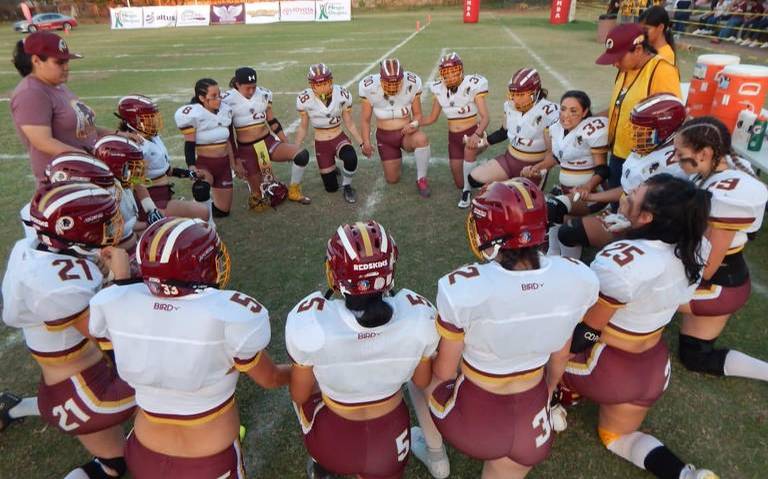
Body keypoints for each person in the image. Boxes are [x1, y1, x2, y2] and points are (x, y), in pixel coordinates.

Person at [423, 179, 599, 479]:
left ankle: (433, 450)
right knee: (509, 466)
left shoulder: (462, 289)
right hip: (533, 416)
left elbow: (444, 372)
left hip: (475, 416)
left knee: (422, 365)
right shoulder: (578, 278)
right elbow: (560, 353)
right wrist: (550, 390)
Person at [89, 217, 291, 478]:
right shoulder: (228, 315)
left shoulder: (114, 302)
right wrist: (307, 373)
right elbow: (271, 378)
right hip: (207, 459)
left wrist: (121, 283)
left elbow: (120, 348)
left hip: (144, 450)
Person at [561, 174, 717, 479]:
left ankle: (559, 393)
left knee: (540, 336)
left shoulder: (618, 265)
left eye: (633, 197)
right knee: (617, 437)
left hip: (606, 366)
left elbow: (587, 334)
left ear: (647, 217)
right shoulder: (695, 246)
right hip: (654, 367)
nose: (626, 195)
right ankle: (687, 475)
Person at [285, 221, 439, 479]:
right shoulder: (417, 315)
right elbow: (422, 380)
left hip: (333, 442)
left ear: (335, 273)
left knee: (306, 378)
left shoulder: (311, 321)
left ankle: (323, 469)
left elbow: (299, 395)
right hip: (391, 440)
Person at [2, 182, 135, 479]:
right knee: (170, 385)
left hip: (67, 383)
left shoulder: (34, 247)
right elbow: (111, 333)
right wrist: (122, 280)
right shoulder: (60, 285)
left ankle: (15, 407)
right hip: (84, 396)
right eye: (101, 224)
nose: (111, 226)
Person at [674, 117, 768, 382]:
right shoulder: (719, 170)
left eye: (682, 155)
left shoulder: (726, 194)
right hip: (725, 276)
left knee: (639, 295)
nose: (677, 160)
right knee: (695, 356)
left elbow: (706, 267)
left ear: (705, 153)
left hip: (718, 284)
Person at [556, 93, 687, 257]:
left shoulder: (674, 165)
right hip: (625, 212)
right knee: (564, 222)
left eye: (642, 131)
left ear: (665, 131)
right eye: (635, 128)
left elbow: (662, 216)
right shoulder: (645, 149)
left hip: (646, 229)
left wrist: (628, 223)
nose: (634, 134)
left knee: (571, 232)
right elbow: (627, 189)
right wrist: (592, 197)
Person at [10, 32, 132, 187]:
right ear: (36, 61)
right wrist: (89, 159)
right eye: (59, 62)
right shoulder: (31, 93)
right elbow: (43, 142)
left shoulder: (58, 86)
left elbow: (84, 127)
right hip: (66, 183)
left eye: (66, 61)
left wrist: (118, 135)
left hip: (87, 174)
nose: (66, 67)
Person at [519, 90, 609, 256]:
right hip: (568, 191)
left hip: (589, 194)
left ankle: (569, 263)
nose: (566, 115)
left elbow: (603, 170)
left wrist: (587, 187)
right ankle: (554, 253)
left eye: (573, 111)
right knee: (554, 213)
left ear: (585, 112)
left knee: (552, 208)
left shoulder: (591, 130)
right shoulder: (556, 129)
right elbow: (557, 158)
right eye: (563, 109)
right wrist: (536, 168)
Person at [597, 23, 681, 193]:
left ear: (638, 50)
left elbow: (673, 119)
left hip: (643, 161)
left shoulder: (661, 71)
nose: (615, 63)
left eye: (619, 57)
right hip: (618, 153)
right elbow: (619, 106)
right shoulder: (625, 69)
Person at [222, 67, 311, 209]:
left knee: (301, 155)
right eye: (247, 88)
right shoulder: (226, 100)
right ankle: (254, 182)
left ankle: (294, 190)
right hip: (246, 150)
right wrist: (235, 161)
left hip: (267, 142)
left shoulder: (264, 94)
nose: (252, 91)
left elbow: (272, 121)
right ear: (237, 85)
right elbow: (229, 136)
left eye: (254, 87)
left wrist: (284, 141)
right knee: (259, 200)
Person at [115, 95, 212, 223]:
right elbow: (136, 182)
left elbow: (165, 170)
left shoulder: (153, 137)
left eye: (154, 117)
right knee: (202, 212)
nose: (154, 121)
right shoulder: (137, 145)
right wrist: (151, 209)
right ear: (134, 120)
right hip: (152, 199)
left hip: (164, 194)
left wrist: (188, 173)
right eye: (149, 118)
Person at [467, 68, 559, 190]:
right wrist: (483, 142)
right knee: (474, 178)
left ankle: (507, 184)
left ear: (535, 92)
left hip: (532, 165)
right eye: (514, 94)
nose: (516, 99)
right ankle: (508, 182)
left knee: (522, 202)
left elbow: (552, 153)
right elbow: (504, 132)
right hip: (510, 159)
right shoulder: (509, 106)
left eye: (522, 95)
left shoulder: (550, 112)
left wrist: (539, 169)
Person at [420, 52, 490, 208]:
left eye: (453, 72)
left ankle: (466, 192)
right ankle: (476, 174)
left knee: (467, 160)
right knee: (459, 181)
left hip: (473, 132)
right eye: (446, 73)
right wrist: (415, 122)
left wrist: (477, 134)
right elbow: (432, 118)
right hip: (454, 138)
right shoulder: (438, 89)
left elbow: (485, 117)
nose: (450, 76)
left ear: (460, 70)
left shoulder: (473, 85)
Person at [359, 58, 432, 197]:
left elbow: (418, 115)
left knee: (422, 139)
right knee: (393, 179)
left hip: (406, 134)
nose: (392, 86)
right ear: (381, 79)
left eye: (396, 82)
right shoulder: (369, 86)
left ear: (403, 78)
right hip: (385, 137)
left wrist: (414, 124)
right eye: (388, 82)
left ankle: (421, 179)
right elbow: (365, 120)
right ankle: (396, 159)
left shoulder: (412, 82)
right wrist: (366, 142)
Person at [293, 63, 364, 204]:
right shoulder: (305, 99)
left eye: (325, 83)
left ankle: (347, 185)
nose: (322, 87)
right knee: (331, 188)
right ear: (312, 85)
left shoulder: (342, 94)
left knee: (350, 158)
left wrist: (362, 143)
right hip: (321, 143)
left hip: (338, 136)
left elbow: (349, 122)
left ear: (331, 81)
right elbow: (303, 127)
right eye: (318, 84)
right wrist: (295, 147)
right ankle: (333, 169)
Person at [175, 78, 237, 217]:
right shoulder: (193, 114)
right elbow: (189, 144)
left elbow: (228, 141)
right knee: (201, 189)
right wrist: (191, 166)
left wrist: (233, 163)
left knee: (223, 211)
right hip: (205, 165)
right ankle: (206, 224)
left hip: (224, 165)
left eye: (219, 94)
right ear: (202, 97)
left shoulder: (225, 110)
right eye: (214, 96)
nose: (219, 99)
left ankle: (195, 207)